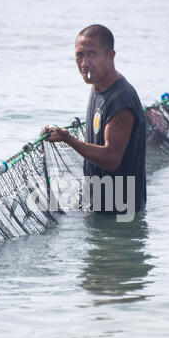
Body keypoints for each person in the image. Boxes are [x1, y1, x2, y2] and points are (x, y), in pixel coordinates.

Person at [41, 24, 146, 214]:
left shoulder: (120, 100)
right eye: (79, 55)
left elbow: (111, 158)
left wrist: (68, 139)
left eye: (92, 54)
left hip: (120, 215)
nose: (84, 63)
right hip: (97, 205)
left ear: (110, 56)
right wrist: (57, 134)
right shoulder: (98, 86)